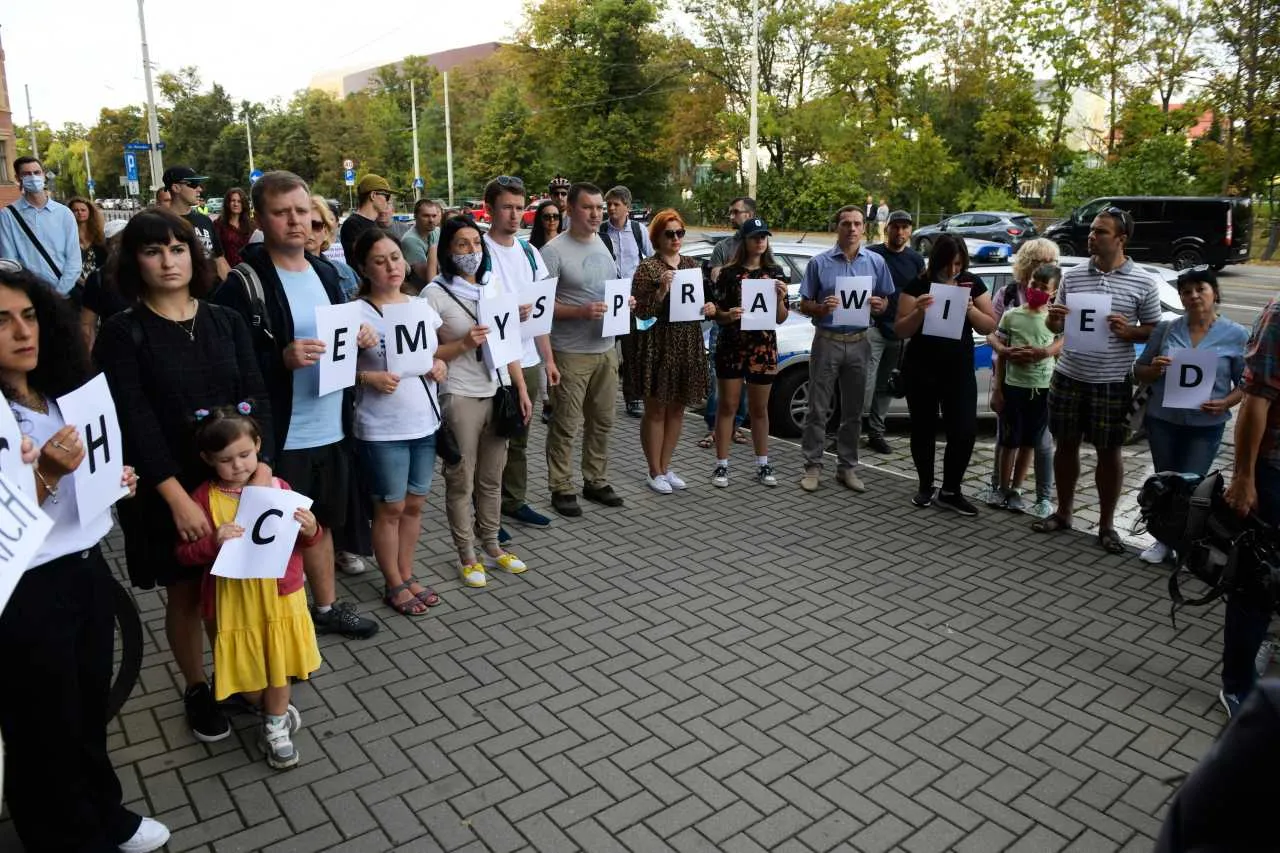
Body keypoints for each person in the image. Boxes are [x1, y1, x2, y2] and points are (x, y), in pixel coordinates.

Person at [0, 262, 170, 853]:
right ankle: (63, 835)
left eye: (30, 316)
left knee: (87, 705)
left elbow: (75, 480)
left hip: (85, 567)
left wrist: (105, 479)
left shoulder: (54, 392)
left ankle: (105, 812)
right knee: (42, 724)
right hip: (23, 590)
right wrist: (46, 472)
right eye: (2, 321)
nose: (23, 332)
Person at [93, 208, 274, 743]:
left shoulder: (226, 320)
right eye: (153, 251)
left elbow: (257, 393)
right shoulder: (124, 334)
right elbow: (132, 420)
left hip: (236, 484)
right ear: (135, 261)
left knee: (233, 590)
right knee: (188, 595)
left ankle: (235, 678)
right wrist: (176, 496)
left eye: (177, 249)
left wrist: (261, 468)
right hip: (167, 491)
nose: (168, 261)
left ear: (194, 255)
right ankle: (197, 686)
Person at [212, 170, 380, 640]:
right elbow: (228, 363)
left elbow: (341, 338)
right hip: (278, 435)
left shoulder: (327, 272)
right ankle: (274, 629)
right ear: (261, 219)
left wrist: (360, 334)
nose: (295, 221)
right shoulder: (244, 284)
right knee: (272, 537)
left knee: (318, 524)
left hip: (331, 427)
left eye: (302, 211)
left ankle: (324, 608)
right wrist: (279, 357)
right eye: (282, 212)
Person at [175, 408, 321, 769]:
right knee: (251, 673)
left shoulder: (279, 488)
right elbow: (184, 554)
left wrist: (310, 529)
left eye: (245, 455)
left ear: (258, 445)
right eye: (226, 460)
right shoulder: (202, 500)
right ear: (208, 460)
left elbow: (305, 543)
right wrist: (213, 542)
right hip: (235, 602)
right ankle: (265, 705)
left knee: (280, 664)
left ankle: (275, 727)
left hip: (279, 597)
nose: (238, 466)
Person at [1034, 208, 1162, 553]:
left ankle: (1106, 526)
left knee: (1109, 452)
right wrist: (1054, 321)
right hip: (1069, 374)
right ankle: (1063, 513)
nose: (1092, 236)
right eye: (1092, 230)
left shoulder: (1144, 281)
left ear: (1121, 239)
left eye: (1101, 232)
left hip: (1111, 380)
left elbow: (1154, 330)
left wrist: (1130, 330)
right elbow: (1053, 327)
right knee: (1066, 446)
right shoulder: (1073, 277)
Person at [425, 216, 533, 587]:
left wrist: (520, 386)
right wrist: (464, 344)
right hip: (460, 395)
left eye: (476, 243)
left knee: (492, 478)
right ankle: (466, 554)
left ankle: (493, 545)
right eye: (462, 244)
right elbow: (424, 352)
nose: (471, 251)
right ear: (448, 250)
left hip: (497, 391)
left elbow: (508, 343)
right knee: (461, 479)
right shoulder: (434, 294)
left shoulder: (492, 287)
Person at [349, 228, 448, 615]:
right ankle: (393, 582)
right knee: (388, 508)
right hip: (381, 427)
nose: (391, 266)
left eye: (394, 256)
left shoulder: (419, 305)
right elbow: (334, 369)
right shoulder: (355, 312)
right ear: (364, 268)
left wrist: (438, 364)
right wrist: (367, 377)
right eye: (379, 260)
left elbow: (434, 353)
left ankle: (407, 573)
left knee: (415, 505)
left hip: (424, 422)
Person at [1133, 266, 1247, 563]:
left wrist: (1226, 403)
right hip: (1163, 421)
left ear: (1215, 293)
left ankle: (1186, 545)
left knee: (1193, 486)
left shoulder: (1235, 335)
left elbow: (1246, 383)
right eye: (1186, 291)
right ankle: (1160, 540)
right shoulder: (1167, 328)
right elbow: (1139, 371)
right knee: (1165, 482)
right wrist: (1154, 369)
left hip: (1205, 425)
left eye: (1201, 289)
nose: (1193, 296)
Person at [542, 183, 633, 516]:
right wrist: (579, 311)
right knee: (566, 423)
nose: (597, 214)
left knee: (603, 421)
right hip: (570, 351)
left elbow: (609, 289)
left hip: (607, 348)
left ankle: (595, 480)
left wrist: (625, 302)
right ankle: (561, 486)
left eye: (600, 207)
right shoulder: (553, 251)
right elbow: (541, 306)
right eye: (588, 208)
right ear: (571, 211)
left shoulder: (603, 241)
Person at [894, 234, 998, 514]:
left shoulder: (972, 283)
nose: (953, 270)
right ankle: (925, 485)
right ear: (936, 260)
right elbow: (901, 330)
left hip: (958, 368)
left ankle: (951, 489)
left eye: (958, 264)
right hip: (922, 368)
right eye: (948, 264)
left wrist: (971, 310)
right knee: (923, 429)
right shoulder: (918, 284)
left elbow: (989, 326)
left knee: (964, 430)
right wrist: (918, 311)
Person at [797, 205, 896, 493]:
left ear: (864, 228)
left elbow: (886, 301)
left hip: (859, 341)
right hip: (827, 339)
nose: (851, 229)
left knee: (854, 410)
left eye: (856, 224)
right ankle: (812, 466)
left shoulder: (875, 262)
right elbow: (804, 305)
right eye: (845, 224)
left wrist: (881, 305)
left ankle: (847, 467)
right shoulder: (819, 263)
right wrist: (820, 306)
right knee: (817, 407)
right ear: (836, 227)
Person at [483, 176, 559, 530]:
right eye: (507, 208)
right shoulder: (479, 252)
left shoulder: (530, 252)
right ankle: (487, 512)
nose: (514, 215)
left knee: (520, 438)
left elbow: (540, 312)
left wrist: (549, 360)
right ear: (490, 209)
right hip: (493, 361)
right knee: (492, 442)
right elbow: (474, 306)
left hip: (527, 357)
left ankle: (514, 501)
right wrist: (508, 312)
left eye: (520, 207)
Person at [1222, 294, 1280, 718]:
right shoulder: (1278, 313)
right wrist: (1244, 476)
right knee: (1258, 580)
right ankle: (1238, 685)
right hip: (1274, 469)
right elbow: (1256, 399)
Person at [631, 209, 714, 492]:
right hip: (660, 343)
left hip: (687, 342)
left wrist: (708, 308)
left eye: (680, 233)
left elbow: (697, 303)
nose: (676, 238)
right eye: (670, 233)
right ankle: (653, 470)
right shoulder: (648, 268)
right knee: (656, 410)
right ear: (657, 237)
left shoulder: (690, 264)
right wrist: (661, 291)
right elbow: (642, 314)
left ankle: (665, 467)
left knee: (677, 408)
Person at [709, 217, 789, 488]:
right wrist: (728, 315)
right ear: (744, 240)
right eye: (755, 236)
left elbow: (780, 318)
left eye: (764, 236)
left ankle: (763, 464)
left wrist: (779, 297)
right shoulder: (729, 273)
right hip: (732, 346)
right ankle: (721, 465)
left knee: (759, 408)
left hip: (763, 348)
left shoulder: (776, 272)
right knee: (728, 405)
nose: (760, 241)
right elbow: (717, 315)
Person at [984, 238, 1061, 518]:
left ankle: (1039, 496)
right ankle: (999, 487)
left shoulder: (1057, 300)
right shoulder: (1008, 295)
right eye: (1041, 261)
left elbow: (1064, 338)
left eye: (1052, 262)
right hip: (1010, 379)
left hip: (1041, 384)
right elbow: (991, 331)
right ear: (1028, 262)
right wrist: (1003, 350)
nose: (1047, 266)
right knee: (1006, 439)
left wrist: (1044, 352)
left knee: (1039, 443)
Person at [864, 209, 924, 454]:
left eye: (905, 227)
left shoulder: (916, 260)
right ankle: (848, 431)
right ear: (886, 228)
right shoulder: (872, 254)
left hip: (901, 333)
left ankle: (876, 433)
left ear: (910, 231)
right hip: (874, 328)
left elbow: (922, 291)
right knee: (862, 384)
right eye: (895, 227)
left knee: (886, 386)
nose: (900, 232)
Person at [699, 196, 756, 448]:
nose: (732, 217)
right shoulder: (723, 247)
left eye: (737, 212)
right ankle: (713, 427)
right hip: (724, 322)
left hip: (752, 322)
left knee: (745, 378)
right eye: (731, 212)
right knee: (718, 376)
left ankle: (737, 425)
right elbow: (716, 279)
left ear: (750, 215)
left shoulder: (762, 245)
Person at [601, 185, 654, 419]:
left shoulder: (637, 230)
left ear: (627, 207)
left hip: (631, 298)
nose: (611, 208)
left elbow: (651, 259)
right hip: (607, 295)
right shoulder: (601, 230)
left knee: (632, 352)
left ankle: (633, 398)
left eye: (616, 204)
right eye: (609, 204)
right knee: (605, 351)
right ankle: (603, 397)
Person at [0, 156, 81, 296]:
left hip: (64, 295)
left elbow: (74, 260)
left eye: (36, 172)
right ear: (18, 178)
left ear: (43, 174)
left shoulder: (63, 213)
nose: (33, 177)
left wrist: (59, 293)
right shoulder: (8, 215)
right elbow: (10, 262)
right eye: (26, 174)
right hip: (31, 296)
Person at [162, 166, 229, 280]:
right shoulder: (161, 223)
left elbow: (219, 259)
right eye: (193, 183)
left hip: (212, 294)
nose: (199, 189)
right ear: (176, 187)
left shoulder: (205, 220)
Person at [305, 193, 359, 301]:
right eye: (304, 225)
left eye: (316, 225)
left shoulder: (346, 273)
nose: (309, 232)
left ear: (326, 231)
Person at [340, 174, 395, 260]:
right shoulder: (352, 225)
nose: (387, 201)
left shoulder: (373, 224)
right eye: (386, 196)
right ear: (373, 195)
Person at [401, 198, 443, 291]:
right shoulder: (410, 240)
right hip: (419, 291)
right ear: (415, 216)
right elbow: (425, 275)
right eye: (426, 216)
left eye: (434, 216)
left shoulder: (437, 231)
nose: (431, 220)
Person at [214, 187, 254, 268]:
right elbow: (215, 251)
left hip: (249, 270)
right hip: (227, 270)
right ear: (227, 203)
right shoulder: (218, 224)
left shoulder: (251, 225)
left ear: (243, 204)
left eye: (239, 201)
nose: (236, 204)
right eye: (233, 201)